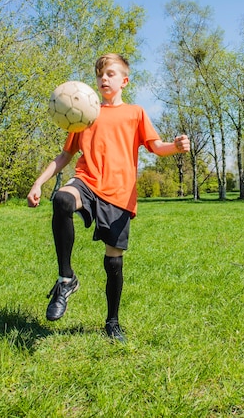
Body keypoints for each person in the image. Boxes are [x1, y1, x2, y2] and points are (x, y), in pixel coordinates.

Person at [27, 53, 190, 342]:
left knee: (113, 261)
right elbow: (66, 155)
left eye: (111, 74)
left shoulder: (135, 113)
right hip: (87, 182)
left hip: (119, 194)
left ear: (124, 81)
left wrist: (175, 147)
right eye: (100, 74)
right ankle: (66, 278)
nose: (104, 78)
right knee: (63, 200)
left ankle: (112, 322)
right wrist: (39, 182)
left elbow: (156, 146)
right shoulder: (85, 112)